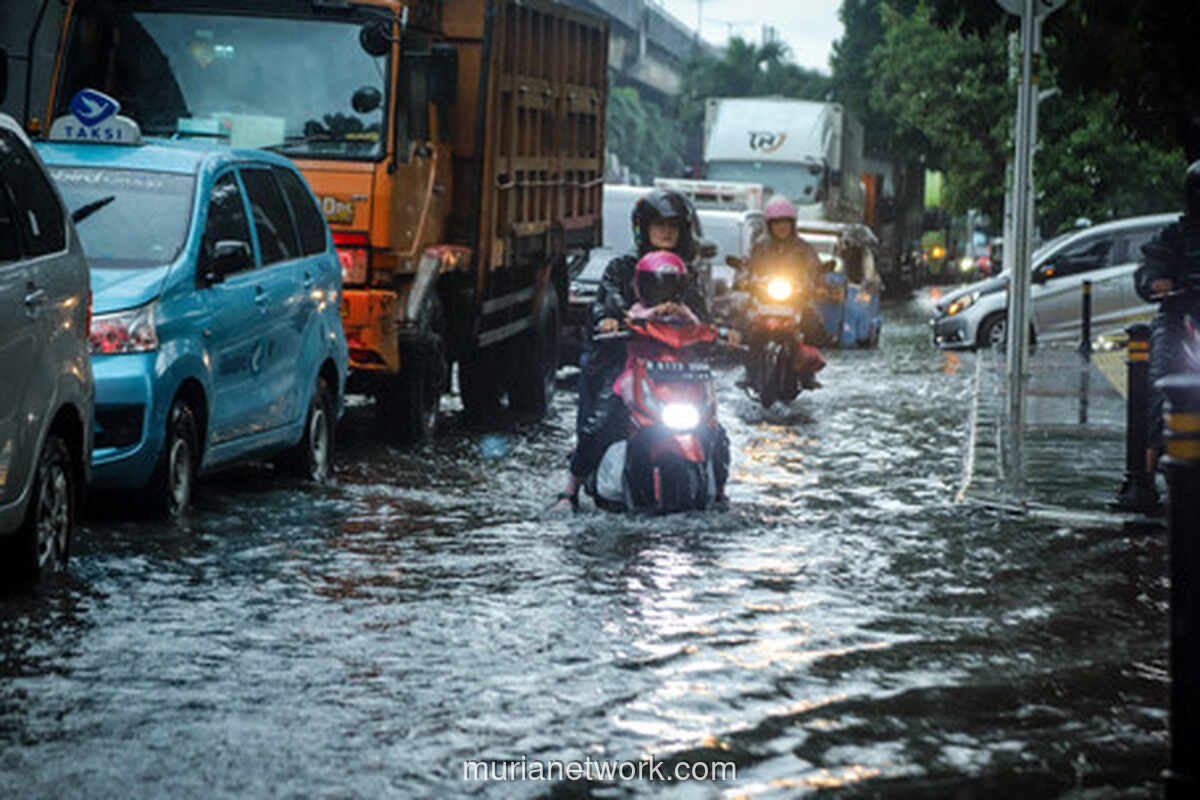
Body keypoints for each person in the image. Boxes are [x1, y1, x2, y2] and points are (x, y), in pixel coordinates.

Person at [548, 249, 715, 514]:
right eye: (656, 285)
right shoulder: (633, 301)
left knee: (713, 428)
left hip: (679, 379)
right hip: (636, 374)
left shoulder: (684, 308)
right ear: (642, 285)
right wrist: (611, 321)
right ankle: (570, 490)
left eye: (671, 286)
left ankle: (718, 491)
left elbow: (703, 325)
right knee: (598, 424)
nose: (664, 293)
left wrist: (714, 330)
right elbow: (617, 313)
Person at [1133, 159, 1200, 484]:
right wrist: (1155, 282)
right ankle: (1147, 472)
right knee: (1160, 379)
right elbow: (1148, 268)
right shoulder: (1173, 235)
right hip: (1180, 319)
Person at [742, 195, 827, 388]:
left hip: (795, 299)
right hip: (764, 300)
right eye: (777, 223)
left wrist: (819, 285)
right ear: (769, 225)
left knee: (813, 321)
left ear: (792, 224)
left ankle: (808, 371)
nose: (782, 227)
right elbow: (746, 266)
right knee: (746, 324)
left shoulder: (804, 248)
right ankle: (749, 370)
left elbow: (816, 268)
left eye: (786, 223)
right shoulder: (760, 246)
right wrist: (743, 281)